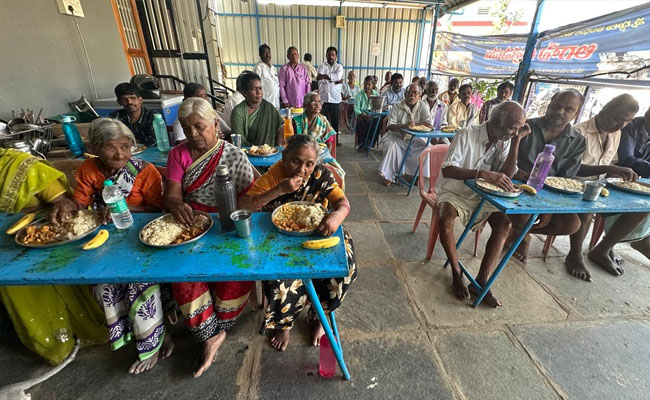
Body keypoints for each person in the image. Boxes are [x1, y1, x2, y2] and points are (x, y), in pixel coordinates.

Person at [50, 118, 173, 374]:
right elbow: (81, 202)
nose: (120, 154)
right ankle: (133, 334)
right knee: (105, 284)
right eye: (111, 147)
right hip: (105, 239)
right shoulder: (88, 169)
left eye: (125, 147)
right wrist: (67, 204)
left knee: (140, 283)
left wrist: (126, 209)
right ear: (95, 147)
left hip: (140, 237)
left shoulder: (144, 171)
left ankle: (154, 341)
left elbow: (158, 209)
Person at [163, 97, 255, 377]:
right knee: (184, 274)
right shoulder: (178, 154)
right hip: (192, 226)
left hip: (228, 225)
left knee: (234, 270)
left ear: (215, 124)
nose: (193, 134)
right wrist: (176, 205)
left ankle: (220, 328)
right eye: (186, 128)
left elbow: (249, 201)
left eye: (199, 127)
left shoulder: (234, 156)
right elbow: (172, 195)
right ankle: (209, 334)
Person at [238, 135, 357, 351]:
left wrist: (337, 216)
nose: (302, 169)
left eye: (309, 164)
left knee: (344, 267)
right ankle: (283, 324)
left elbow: (342, 202)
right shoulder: (274, 176)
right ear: (284, 157)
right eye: (295, 161)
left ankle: (321, 316)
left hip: (317, 232)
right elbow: (243, 206)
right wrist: (279, 190)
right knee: (281, 278)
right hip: (279, 236)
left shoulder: (321, 174)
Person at [0, 148, 108, 365]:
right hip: (7, 253)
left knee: (62, 285)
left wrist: (62, 205)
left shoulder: (20, 165)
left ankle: (81, 330)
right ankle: (54, 346)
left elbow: (65, 202)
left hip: (50, 241)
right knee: (21, 295)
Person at [437, 101, 530, 307]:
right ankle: (456, 272)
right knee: (444, 219)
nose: (515, 133)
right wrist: (483, 174)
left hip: (483, 196)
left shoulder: (505, 140)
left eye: (518, 129)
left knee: (504, 224)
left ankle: (481, 280)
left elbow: (506, 174)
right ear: (496, 122)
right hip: (455, 191)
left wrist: (516, 142)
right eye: (512, 128)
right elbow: (448, 170)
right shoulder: (466, 134)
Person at [568, 94, 643, 281]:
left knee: (642, 206)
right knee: (588, 205)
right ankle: (575, 256)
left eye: (627, 121)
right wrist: (607, 168)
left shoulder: (615, 134)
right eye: (617, 118)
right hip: (574, 187)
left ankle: (604, 248)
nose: (620, 125)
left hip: (601, 186)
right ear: (603, 111)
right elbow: (571, 168)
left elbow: (612, 163)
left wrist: (619, 177)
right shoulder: (579, 132)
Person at [509, 89, 587, 264]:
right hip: (515, 186)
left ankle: (519, 233)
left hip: (549, 193)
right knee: (523, 215)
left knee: (572, 225)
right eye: (557, 106)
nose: (560, 112)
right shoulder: (525, 127)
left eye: (568, 109)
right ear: (549, 104)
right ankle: (522, 236)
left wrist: (549, 208)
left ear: (576, 113)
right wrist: (518, 173)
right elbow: (500, 159)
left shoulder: (577, 141)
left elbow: (565, 180)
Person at [378, 84, 434, 186]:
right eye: (409, 92)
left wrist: (414, 126)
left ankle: (417, 175)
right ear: (405, 94)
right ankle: (388, 175)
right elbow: (390, 126)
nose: (412, 95)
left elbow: (429, 124)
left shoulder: (422, 106)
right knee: (391, 146)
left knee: (427, 148)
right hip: (396, 137)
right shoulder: (397, 106)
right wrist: (404, 126)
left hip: (415, 138)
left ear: (419, 95)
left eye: (415, 93)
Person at [230, 73, 284, 147]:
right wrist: (255, 150)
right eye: (253, 89)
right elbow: (240, 140)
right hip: (248, 151)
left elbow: (281, 127)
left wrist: (278, 147)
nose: (258, 92)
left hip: (271, 151)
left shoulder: (269, 107)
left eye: (260, 88)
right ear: (244, 92)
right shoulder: (238, 112)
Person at [109, 82, 156, 147]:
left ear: (140, 100)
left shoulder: (152, 116)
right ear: (119, 102)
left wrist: (126, 142)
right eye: (124, 99)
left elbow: (153, 140)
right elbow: (111, 138)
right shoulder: (115, 116)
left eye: (133, 98)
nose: (129, 102)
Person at [618, 106, 650, 176]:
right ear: (647, 116)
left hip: (635, 178)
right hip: (615, 176)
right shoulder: (628, 126)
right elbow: (627, 160)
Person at [354, 75, 379, 151]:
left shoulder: (376, 94)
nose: (367, 86)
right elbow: (356, 109)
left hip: (373, 116)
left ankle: (370, 142)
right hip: (362, 115)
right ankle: (362, 143)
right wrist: (365, 116)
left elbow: (378, 108)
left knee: (378, 121)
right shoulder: (359, 95)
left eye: (369, 84)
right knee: (361, 121)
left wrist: (371, 116)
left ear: (372, 85)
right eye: (365, 84)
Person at [254, 44, 280, 108]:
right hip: (266, 103)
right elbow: (256, 86)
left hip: (276, 103)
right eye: (265, 53)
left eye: (268, 52)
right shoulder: (259, 67)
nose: (267, 55)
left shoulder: (273, 68)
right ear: (260, 55)